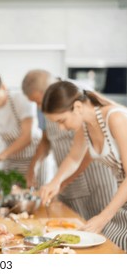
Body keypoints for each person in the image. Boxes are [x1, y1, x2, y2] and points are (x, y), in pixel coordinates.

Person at [40, 80, 127, 251]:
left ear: (78, 107)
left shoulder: (115, 118)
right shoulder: (86, 126)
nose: (62, 128)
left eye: (62, 120)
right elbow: (74, 158)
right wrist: (55, 182)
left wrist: (103, 217)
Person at [22, 69, 117, 220]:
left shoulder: (107, 114)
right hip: (69, 175)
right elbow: (73, 157)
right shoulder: (81, 123)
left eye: (39, 101)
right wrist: (55, 181)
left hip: (98, 178)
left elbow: (86, 153)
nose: (39, 107)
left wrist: (62, 181)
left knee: (104, 231)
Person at [0, 70, 49, 188]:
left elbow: (27, 137)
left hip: (35, 157)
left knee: (38, 195)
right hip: (12, 160)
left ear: (3, 87)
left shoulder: (21, 99)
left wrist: (1, 155)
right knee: (10, 196)